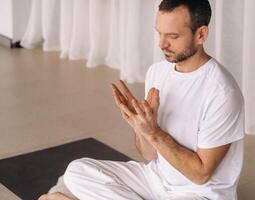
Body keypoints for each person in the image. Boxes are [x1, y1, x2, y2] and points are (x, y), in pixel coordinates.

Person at [39, 0, 244, 199]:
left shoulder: (222, 93)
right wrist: (141, 126)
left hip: (199, 193)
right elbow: (149, 155)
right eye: (159, 33)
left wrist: (154, 133)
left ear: (201, 34)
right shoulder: (157, 72)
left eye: (172, 36)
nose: (162, 43)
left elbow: (200, 175)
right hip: (154, 181)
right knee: (77, 171)